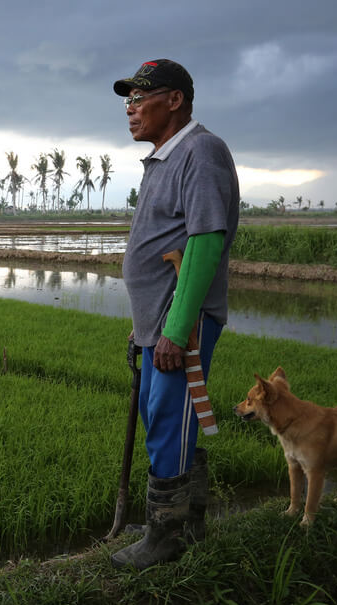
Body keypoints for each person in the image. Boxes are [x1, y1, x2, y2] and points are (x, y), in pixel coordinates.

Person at [110, 59, 239, 569]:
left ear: (175, 100)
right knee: (162, 416)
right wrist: (145, 326)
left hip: (180, 326)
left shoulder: (200, 151)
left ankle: (165, 539)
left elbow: (206, 243)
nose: (131, 109)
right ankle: (188, 521)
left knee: (169, 418)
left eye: (140, 97)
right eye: (127, 100)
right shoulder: (164, 159)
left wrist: (176, 329)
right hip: (158, 324)